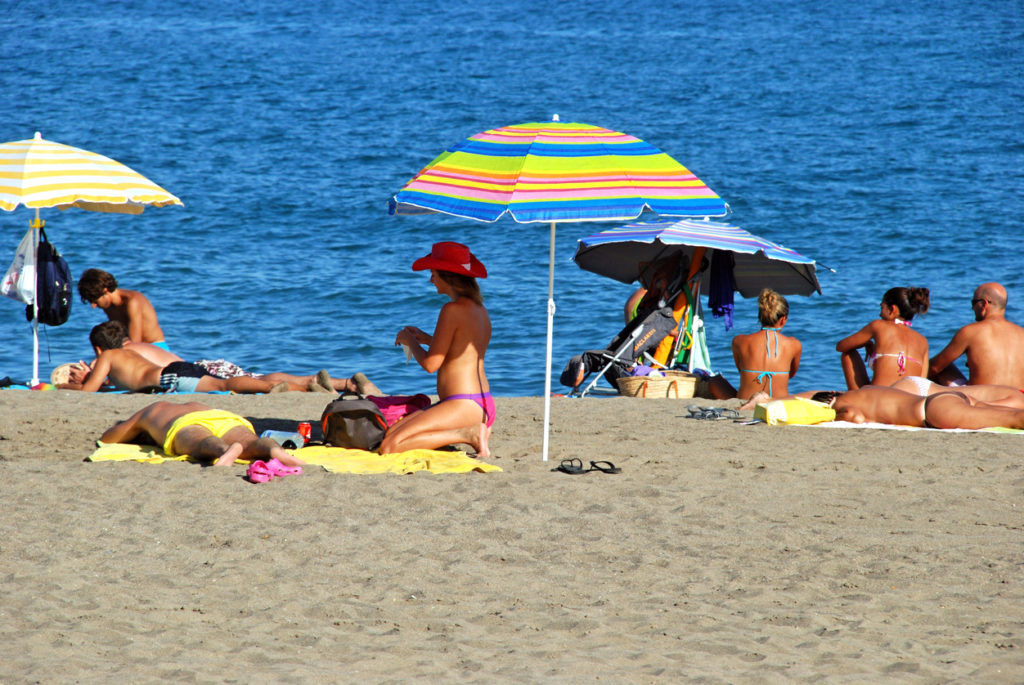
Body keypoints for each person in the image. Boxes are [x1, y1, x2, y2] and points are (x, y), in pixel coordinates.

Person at [379, 242, 493, 457]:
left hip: (464, 404)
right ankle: (472, 430)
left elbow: (431, 365)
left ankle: (468, 435)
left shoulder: (451, 309)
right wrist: (425, 338)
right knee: (392, 433)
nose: (431, 280)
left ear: (448, 276)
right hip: (480, 401)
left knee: (389, 447)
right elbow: (462, 349)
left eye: (433, 274)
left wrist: (409, 340)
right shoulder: (480, 309)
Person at [66, 321, 379, 394]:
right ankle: (321, 382)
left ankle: (283, 389)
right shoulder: (129, 350)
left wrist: (71, 385)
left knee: (226, 387)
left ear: (98, 349)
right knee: (242, 380)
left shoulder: (107, 357)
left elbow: (89, 393)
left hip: (173, 377)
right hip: (180, 369)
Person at [99, 400, 303, 467]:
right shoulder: (198, 404)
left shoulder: (152, 410)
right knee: (251, 441)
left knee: (202, 441)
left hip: (182, 424)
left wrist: (137, 428)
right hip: (222, 417)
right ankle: (274, 450)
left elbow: (109, 438)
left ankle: (223, 451)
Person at [929, 282, 1024, 388]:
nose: (972, 308)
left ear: (984, 304)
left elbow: (935, 367)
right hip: (1018, 399)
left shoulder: (970, 332)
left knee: (943, 368)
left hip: (982, 399)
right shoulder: (1021, 333)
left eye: (973, 303)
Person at [835, 287, 930, 389]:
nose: (880, 314)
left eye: (882, 308)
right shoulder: (923, 341)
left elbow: (841, 346)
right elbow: (922, 381)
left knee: (848, 352)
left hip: (877, 400)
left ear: (892, 309)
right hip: (908, 402)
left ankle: (856, 398)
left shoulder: (878, 325)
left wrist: (866, 343)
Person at [820, 385, 1024, 430]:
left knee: (1014, 420)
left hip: (934, 412)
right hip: (945, 398)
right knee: (1012, 415)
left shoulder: (843, 404)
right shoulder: (864, 390)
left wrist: (832, 416)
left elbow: (855, 418)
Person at [730, 288, 801, 401]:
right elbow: (790, 375)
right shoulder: (795, 344)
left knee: (714, 381)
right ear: (783, 320)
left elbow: (741, 370)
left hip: (745, 401)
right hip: (777, 404)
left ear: (760, 316)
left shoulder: (739, 341)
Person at [77, 268, 167, 348]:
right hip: (132, 349)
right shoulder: (108, 306)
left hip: (155, 347)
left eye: (95, 301)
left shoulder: (132, 301)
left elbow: (135, 343)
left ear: (106, 291)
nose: (93, 306)